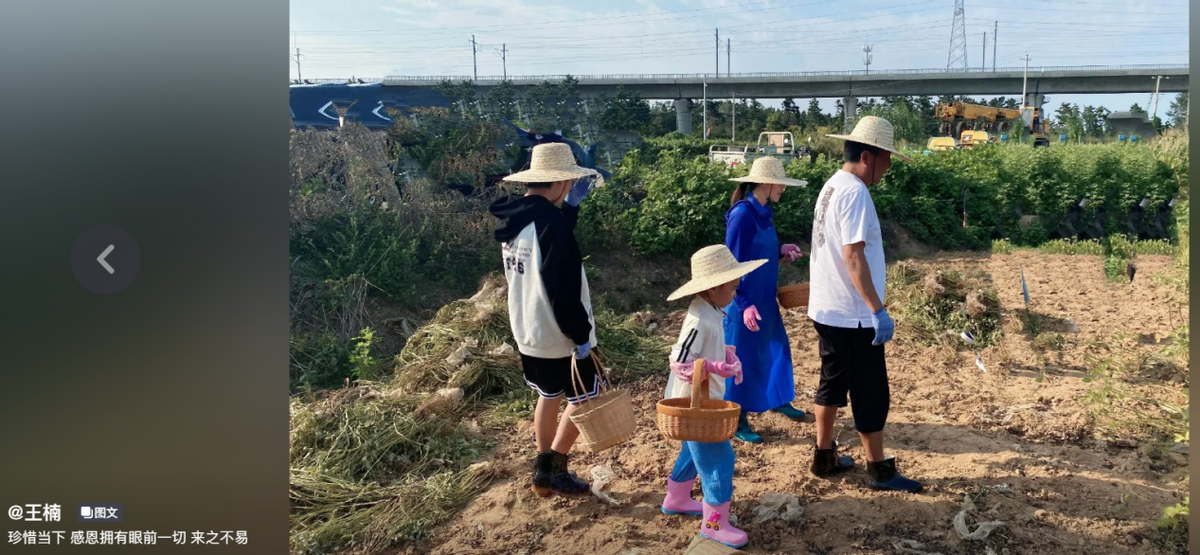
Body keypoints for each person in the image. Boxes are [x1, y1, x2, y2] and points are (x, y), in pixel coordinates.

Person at [807, 116, 922, 492]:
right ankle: (879, 469)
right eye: (887, 159)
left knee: (832, 381)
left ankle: (823, 456)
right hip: (852, 314)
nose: (888, 168)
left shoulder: (831, 186)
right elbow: (853, 257)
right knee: (870, 390)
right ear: (869, 157)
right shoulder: (855, 192)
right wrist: (876, 309)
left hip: (826, 308)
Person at [488, 142, 604, 497]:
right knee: (585, 397)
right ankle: (556, 466)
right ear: (561, 182)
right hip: (559, 334)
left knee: (549, 394)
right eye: (569, 182)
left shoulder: (516, 218)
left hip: (528, 327)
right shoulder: (551, 224)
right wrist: (580, 336)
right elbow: (562, 286)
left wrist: (568, 210)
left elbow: (545, 241)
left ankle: (542, 469)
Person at [661, 244, 767, 549]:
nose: (735, 293)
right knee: (720, 459)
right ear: (715, 286)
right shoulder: (699, 319)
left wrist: (726, 355)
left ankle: (677, 498)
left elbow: (707, 348)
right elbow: (680, 360)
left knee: (693, 452)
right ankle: (714, 525)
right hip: (695, 404)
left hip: (701, 402)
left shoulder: (711, 311)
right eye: (732, 287)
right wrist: (712, 366)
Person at [723, 157, 809, 444]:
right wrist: (743, 303)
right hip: (744, 301)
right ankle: (737, 418)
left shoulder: (765, 212)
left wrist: (782, 250)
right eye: (780, 183)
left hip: (766, 297)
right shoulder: (742, 215)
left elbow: (759, 252)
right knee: (742, 358)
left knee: (776, 348)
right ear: (764, 182)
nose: (783, 188)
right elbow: (731, 264)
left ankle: (778, 399)